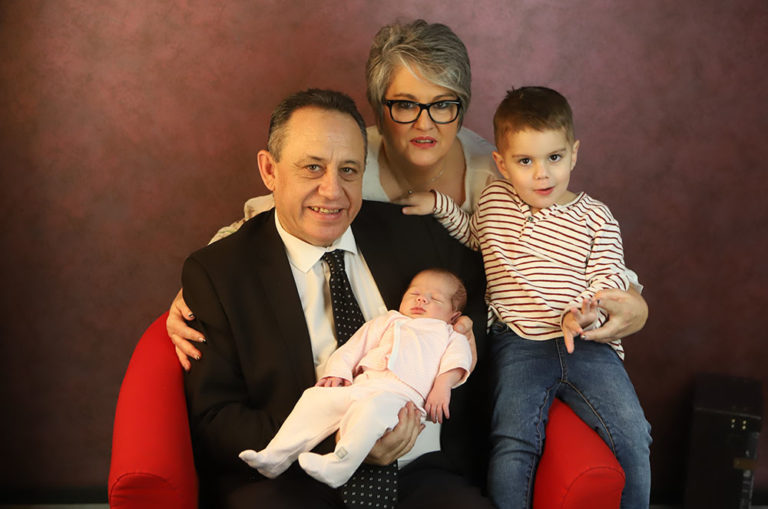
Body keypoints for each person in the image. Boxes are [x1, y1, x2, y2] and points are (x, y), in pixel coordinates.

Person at [169, 19, 647, 370]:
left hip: (488, 346)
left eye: (443, 105)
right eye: (405, 105)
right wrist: (199, 291)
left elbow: (570, 235)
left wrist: (633, 302)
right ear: (379, 108)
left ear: (462, 108)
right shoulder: (348, 163)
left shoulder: (499, 171)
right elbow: (267, 219)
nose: (425, 123)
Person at [181, 88, 492, 508]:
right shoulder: (220, 272)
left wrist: (466, 326)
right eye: (312, 167)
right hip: (292, 475)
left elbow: (485, 289)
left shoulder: (413, 234)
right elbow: (215, 418)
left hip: (418, 469)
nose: (332, 191)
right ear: (270, 170)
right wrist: (347, 440)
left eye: (348, 170)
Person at [402, 86, 652, 508]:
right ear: (502, 164)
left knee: (633, 434)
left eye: (554, 157)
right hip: (518, 342)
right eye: (525, 161)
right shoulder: (494, 200)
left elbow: (609, 279)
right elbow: (475, 235)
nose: (542, 175)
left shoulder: (597, 217)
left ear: (574, 154)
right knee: (514, 440)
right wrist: (440, 205)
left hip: (587, 345)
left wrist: (585, 314)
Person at [239, 268, 473, 489]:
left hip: (402, 399)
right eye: (415, 293)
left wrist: (442, 386)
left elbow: (458, 361)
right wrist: (337, 372)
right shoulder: (388, 321)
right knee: (315, 399)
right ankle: (276, 456)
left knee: (370, 412)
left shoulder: (449, 333)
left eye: (435, 298)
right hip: (364, 385)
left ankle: (339, 465)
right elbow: (353, 348)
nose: (422, 299)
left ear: (454, 316)